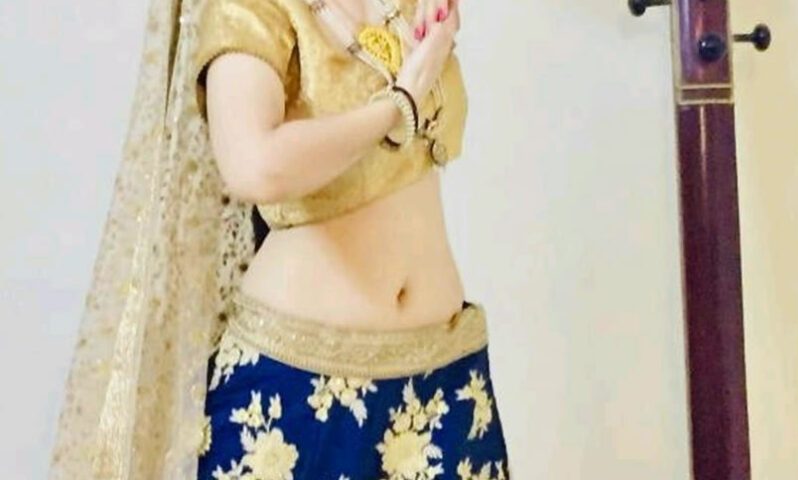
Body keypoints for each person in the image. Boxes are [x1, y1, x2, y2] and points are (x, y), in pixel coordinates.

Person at [49, 0, 510, 478]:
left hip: (444, 378)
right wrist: (398, 106)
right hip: (297, 389)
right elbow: (255, 165)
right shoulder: (248, 9)